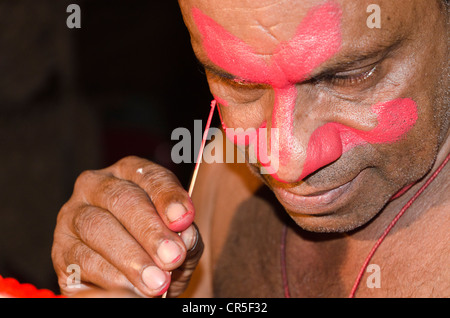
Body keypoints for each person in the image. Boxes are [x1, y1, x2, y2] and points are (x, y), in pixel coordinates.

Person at [51, 0, 449, 297]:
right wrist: (118, 270)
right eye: (239, 84)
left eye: (350, 77)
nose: (285, 162)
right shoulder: (220, 178)